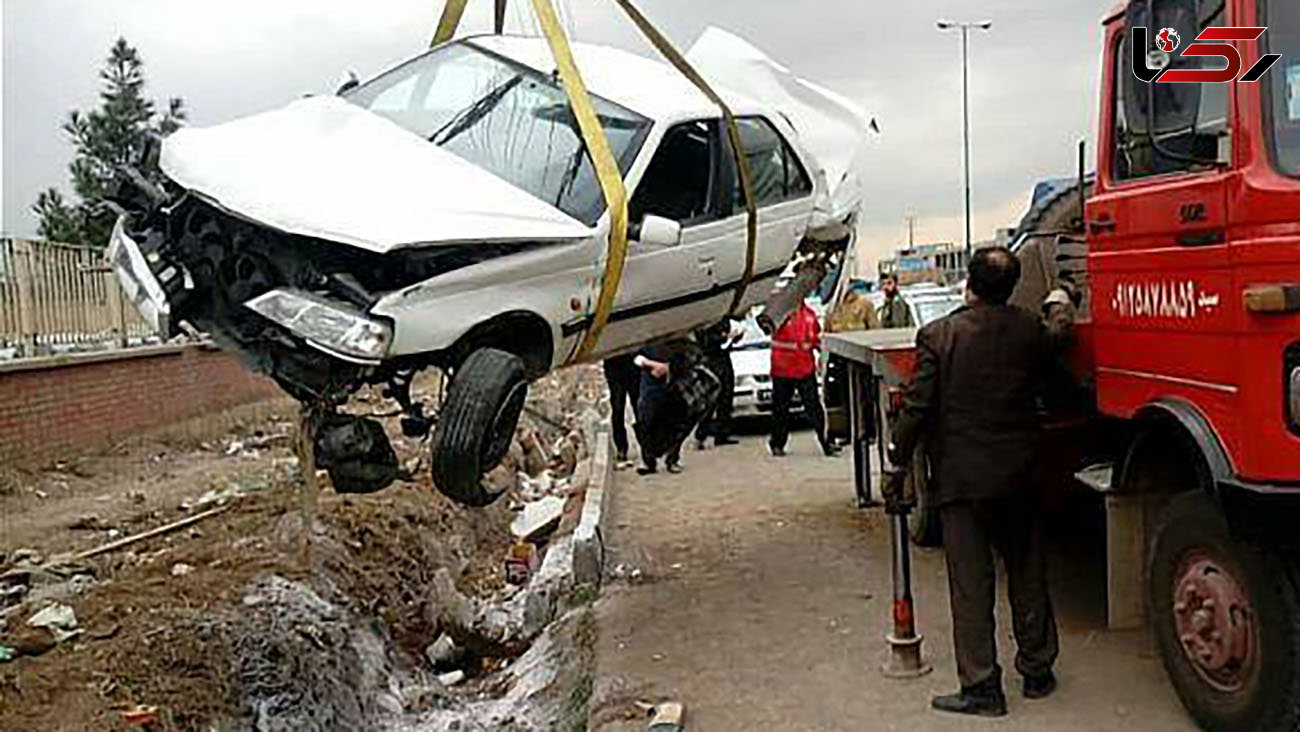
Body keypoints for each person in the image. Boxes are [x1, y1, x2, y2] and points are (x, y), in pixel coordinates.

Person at [888, 247, 1059, 718]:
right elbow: (1055, 376)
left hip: (963, 481)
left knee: (971, 585)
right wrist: (1059, 307)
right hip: (1021, 475)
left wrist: (896, 462)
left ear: (969, 284)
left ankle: (983, 687)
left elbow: (917, 409)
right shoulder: (1030, 331)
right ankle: (1038, 671)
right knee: (1028, 573)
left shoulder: (939, 335)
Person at [768, 300, 838, 458]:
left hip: (804, 369)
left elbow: (815, 339)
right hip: (783, 369)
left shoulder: (809, 315)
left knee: (814, 408)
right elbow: (766, 325)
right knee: (780, 409)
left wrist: (824, 353)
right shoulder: (779, 313)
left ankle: (827, 442)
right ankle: (777, 443)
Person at [694, 317, 743, 450]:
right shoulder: (706, 320)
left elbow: (730, 337)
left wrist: (735, 337)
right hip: (711, 361)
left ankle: (722, 434)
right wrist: (724, 337)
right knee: (711, 401)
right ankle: (701, 435)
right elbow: (705, 340)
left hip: (724, 359)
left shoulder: (725, 319)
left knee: (726, 398)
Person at [602, 354, 642, 468]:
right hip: (614, 367)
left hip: (632, 365)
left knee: (638, 408)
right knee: (618, 408)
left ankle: (645, 445)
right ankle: (621, 448)